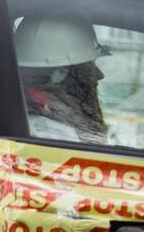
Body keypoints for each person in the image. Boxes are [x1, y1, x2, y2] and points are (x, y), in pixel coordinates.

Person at [14, 13, 108, 144]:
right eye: (87, 65)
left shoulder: (19, 111)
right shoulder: (51, 133)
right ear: (60, 73)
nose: (99, 75)